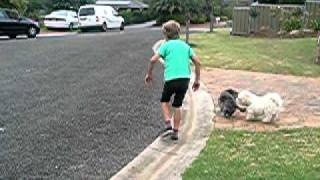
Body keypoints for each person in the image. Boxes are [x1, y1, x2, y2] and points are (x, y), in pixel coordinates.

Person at [145, 20, 201, 141]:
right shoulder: (186, 46)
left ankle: (168, 124)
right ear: (179, 33)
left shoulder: (165, 46)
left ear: (165, 34)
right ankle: (175, 131)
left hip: (171, 79)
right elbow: (197, 62)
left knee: (164, 100)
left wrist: (149, 74)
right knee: (177, 105)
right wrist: (197, 80)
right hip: (184, 79)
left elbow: (152, 60)